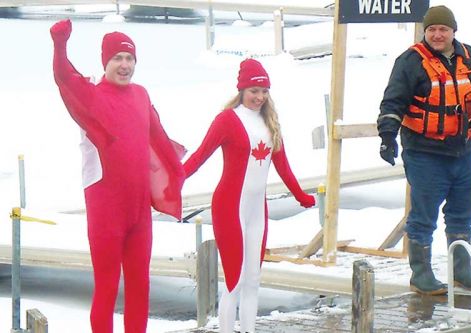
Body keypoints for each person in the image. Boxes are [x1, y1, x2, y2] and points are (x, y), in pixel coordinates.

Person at [50, 19, 185, 333]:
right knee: (107, 288)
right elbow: (64, 78)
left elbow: (159, 138)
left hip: (139, 213)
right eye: (117, 58)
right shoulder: (93, 96)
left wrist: (179, 171)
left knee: (140, 287)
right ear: (105, 62)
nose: (124, 65)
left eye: (129, 58)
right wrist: (60, 45)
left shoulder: (140, 94)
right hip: (106, 212)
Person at [183, 58, 315, 333]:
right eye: (254, 91)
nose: (259, 97)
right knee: (235, 278)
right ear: (242, 90)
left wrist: (301, 196)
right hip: (229, 207)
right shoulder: (227, 120)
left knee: (253, 277)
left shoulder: (270, 123)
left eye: (264, 91)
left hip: (257, 209)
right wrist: (173, 181)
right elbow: (199, 156)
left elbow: (283, 167)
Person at [377, 5, 471, 295]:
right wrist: (387, 137)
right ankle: (421, 275)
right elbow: (392, 102)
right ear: (425, 32)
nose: (437, 34)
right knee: (424, 215)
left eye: (442, 29)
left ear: (453, 31)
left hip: (462, 151)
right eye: (431, 29)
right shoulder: (410, 61)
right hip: (423, 152)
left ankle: (462, 270)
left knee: (463, 213)